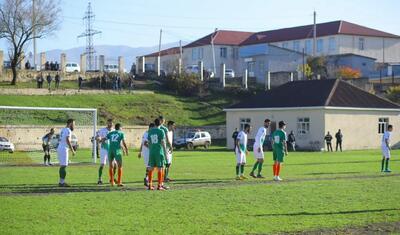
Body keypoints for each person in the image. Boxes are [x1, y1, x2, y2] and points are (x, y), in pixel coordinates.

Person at [147, 118, 169, 190]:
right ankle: (159, 186)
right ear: (160, 123)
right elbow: (163, 143)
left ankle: (150, 185)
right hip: (159, 152)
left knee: (151, 168)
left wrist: (151, 149)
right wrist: (166, 155)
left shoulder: (150, 131)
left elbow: (149, 143)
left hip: (152, 152)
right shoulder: (161, 131)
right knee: (160, 168)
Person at [96, 119, 116, 185]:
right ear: (107, 123)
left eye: (111, 123)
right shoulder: (102, 130)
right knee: (103, 164)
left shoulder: (114, 131)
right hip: (104, 149)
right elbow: (97, 137)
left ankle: (112, 178)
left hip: (112, 150)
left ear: (113, 124)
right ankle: (99, 179)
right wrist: (99, 139)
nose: (110, 124)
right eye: (109, 123)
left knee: (114, 165)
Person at [57, 119, 76, 187]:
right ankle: (62, 182)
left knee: (63, 166)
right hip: (63, 149)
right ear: (70, 123)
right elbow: (67, 140)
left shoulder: (63, 129)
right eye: (73, 124)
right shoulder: (68, 130)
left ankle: (61, 182)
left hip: (60, 147)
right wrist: (72, 150)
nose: (74, 126)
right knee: (63, 166)